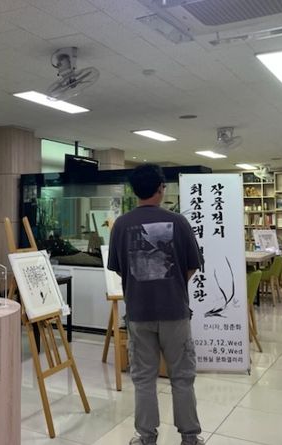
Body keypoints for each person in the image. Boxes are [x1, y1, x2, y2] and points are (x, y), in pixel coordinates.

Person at [108, 164, 204, 445]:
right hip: (175, 311)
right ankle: (190, 437)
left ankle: (146, 437)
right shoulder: (179, 222)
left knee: (143, 378)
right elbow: (191, 266)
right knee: (182, 376)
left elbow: (119, 269)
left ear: (135, 191)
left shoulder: (121, 225)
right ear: (161, 189)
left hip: (139, 313)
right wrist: (171, 284)